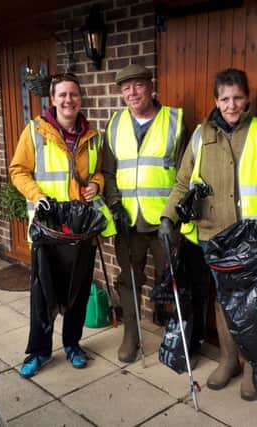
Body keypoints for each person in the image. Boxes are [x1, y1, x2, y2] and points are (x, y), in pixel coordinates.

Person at [160, 68, 257, 400]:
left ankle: (253, 366)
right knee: (223, 302)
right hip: (212, 236)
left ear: (247, 98)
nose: (231, 105)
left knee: (252, 305)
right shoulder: (200, 135)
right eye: (224, 98)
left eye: (237, 97)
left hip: (251, 240)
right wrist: (167, 217)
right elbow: (182, 184)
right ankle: (228, 359)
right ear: (215, 100)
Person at [9, 73, 114, 377]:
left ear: (80, 99)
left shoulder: (93, 136)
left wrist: (96, 183)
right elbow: (18, 170)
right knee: (43, 294)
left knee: (78, 291)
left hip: (80, 229)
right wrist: (37, 195)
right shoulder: (34, 132)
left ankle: (73, 344)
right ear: (52, 100)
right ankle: (39, 352)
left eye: (73, 95)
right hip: (48, 229)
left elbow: (99, 173)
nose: (68, 100)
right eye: (62, 95)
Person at [103, 64, 187, 363]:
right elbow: (108, 173)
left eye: (138, 85)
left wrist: (171, 216)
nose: (132, 92)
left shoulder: (175, 121)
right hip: (128, 222)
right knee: (128, 280)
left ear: (151, 87)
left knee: (174, 281)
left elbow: (185, 176)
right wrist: (114, 205)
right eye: (126, 88)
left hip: (166, 222)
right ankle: (131, 336)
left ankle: (177, 338)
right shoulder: (114, 125)